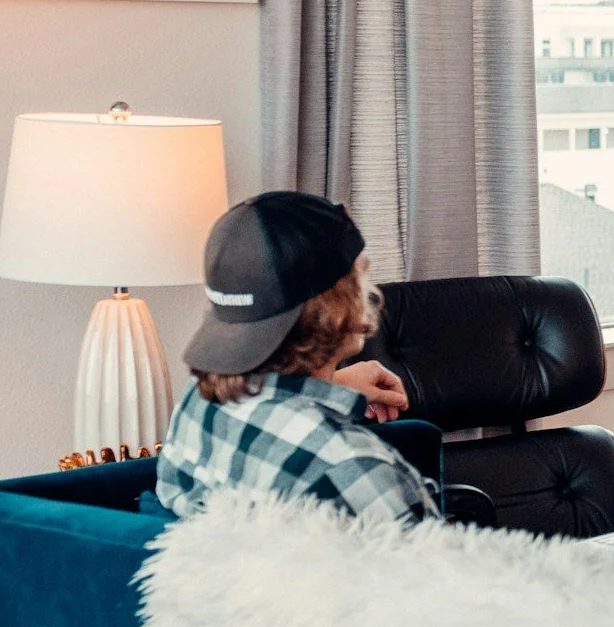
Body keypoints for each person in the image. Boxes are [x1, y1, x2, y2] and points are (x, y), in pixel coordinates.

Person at [157, 192, 432, 526]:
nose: (371, 292)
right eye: (360, 275)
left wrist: (334, 384)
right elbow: (440, 574)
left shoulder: (196, 402)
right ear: (334, 306)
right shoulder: (352, 466)